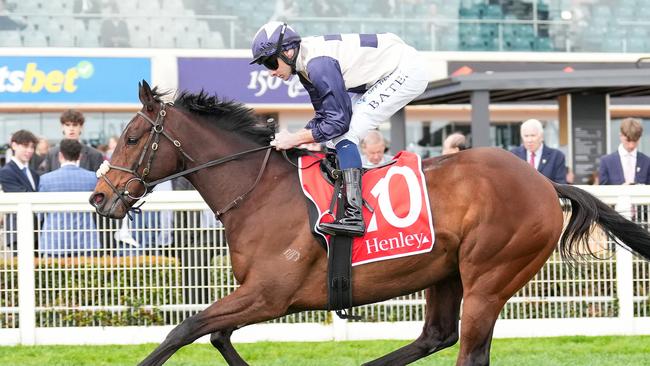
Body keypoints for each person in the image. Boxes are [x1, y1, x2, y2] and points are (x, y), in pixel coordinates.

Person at [251, 22, 429, 236]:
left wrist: (295, 139)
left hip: (405, 70)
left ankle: (354, 216)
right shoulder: (304, 64)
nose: (271, 72)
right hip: (385, 69)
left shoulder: (317, 65)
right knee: (332, 136)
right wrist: (296, 136)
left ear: (288, 51)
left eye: (271, 62)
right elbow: (324, 118)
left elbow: (338, 124)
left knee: (346, 133)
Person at [38, 139, 100, 257]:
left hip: (54, 241)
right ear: (80, 156)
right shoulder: (92, 178)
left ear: (60, 155)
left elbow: (39, 213)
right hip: (86, 240)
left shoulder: (46, 179)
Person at [0, 130, 39, 250]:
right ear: (14, 145)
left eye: (32, 147)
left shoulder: (34, 173)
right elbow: (23, 196)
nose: (30, 150)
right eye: (25, 146)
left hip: (36, 231)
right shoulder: (6, 172)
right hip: (18, 231)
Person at [42, 109, 104, 174]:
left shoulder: (95, 155)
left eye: (75, 125)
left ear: (81, 127)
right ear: (62, 127)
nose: (71, 129)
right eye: (67, 125)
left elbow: (100, 182)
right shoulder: (52, 154)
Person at [510, 119, 567, 184]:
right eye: (526, 136)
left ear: (542, 136)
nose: (529, 140)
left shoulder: (557, 156)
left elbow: (561, 185)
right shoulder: (513, 155)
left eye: (533, 135)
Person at [599, 117, 650, 185]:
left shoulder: (647, 161)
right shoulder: (606, 161)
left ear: (640, 138)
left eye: (635, 141)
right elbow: (602, 190)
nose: (631, 146)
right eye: (628, 141)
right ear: (620, 135)